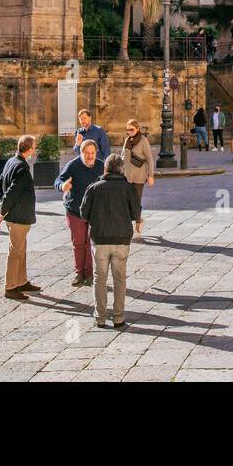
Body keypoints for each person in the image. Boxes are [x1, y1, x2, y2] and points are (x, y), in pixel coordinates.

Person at [80, 153, 141, 329]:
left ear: (105, 168)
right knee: (119, 278)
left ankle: (100, 317)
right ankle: (118, 317)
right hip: (122, 238)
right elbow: (136, 213)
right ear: (122, 169)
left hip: (99, 238)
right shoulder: (128, 188)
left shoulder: (94, 187)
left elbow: (84, 213)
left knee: (99, 278)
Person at [0, 135, 39, 301]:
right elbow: (13, 192)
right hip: (18, 216)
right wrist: (2, 210)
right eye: (34, 146)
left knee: (21, 250)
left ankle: (21, 281)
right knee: (15, 252)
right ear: (29, 148)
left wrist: (1, 205)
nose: (35, 148)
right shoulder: (21, 168)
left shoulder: (11, 162)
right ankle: (11, 287)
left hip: (16, 215)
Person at [55, 138, 103, 286]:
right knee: (78, 243)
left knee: (90, 243)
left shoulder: (101, 166)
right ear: (81, 153)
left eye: (92, 153)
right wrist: (63, 186)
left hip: (93, 212)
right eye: (87, 153)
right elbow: (58, 180)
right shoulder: (73, 165)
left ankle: (89, 274)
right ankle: (78, 273)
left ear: (96, 153)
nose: (90, 156)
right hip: (75, 210)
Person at [114, 119, 155, 235]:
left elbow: (149, 159)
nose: (130, 132)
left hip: (139, 176)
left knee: (136, 201)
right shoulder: (127, 140)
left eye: (132, 129)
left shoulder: (143, 140)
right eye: (128, 130)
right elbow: (122, 156)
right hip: (127, 176)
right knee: (126, 201)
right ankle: (133, 222)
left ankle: (137, 225)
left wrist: (151, 175)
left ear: (137, 129)